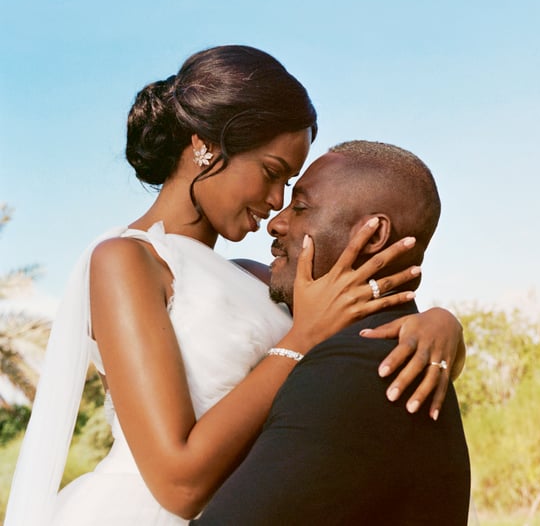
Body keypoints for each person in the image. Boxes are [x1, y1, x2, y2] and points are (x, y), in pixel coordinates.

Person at [5, 47, 464, 526]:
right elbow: (177, 483)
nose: (275, 203)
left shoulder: (260, 276)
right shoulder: (127, 262)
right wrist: (300, 338)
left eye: (289, 185)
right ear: (205, 146)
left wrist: (440, 324)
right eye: (271, 173)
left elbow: (367, 332)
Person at [193, 141, 471, 526]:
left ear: (373, 235)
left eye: (302, 207)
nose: (276, 221)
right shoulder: (382, 350)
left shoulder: (352, 367)